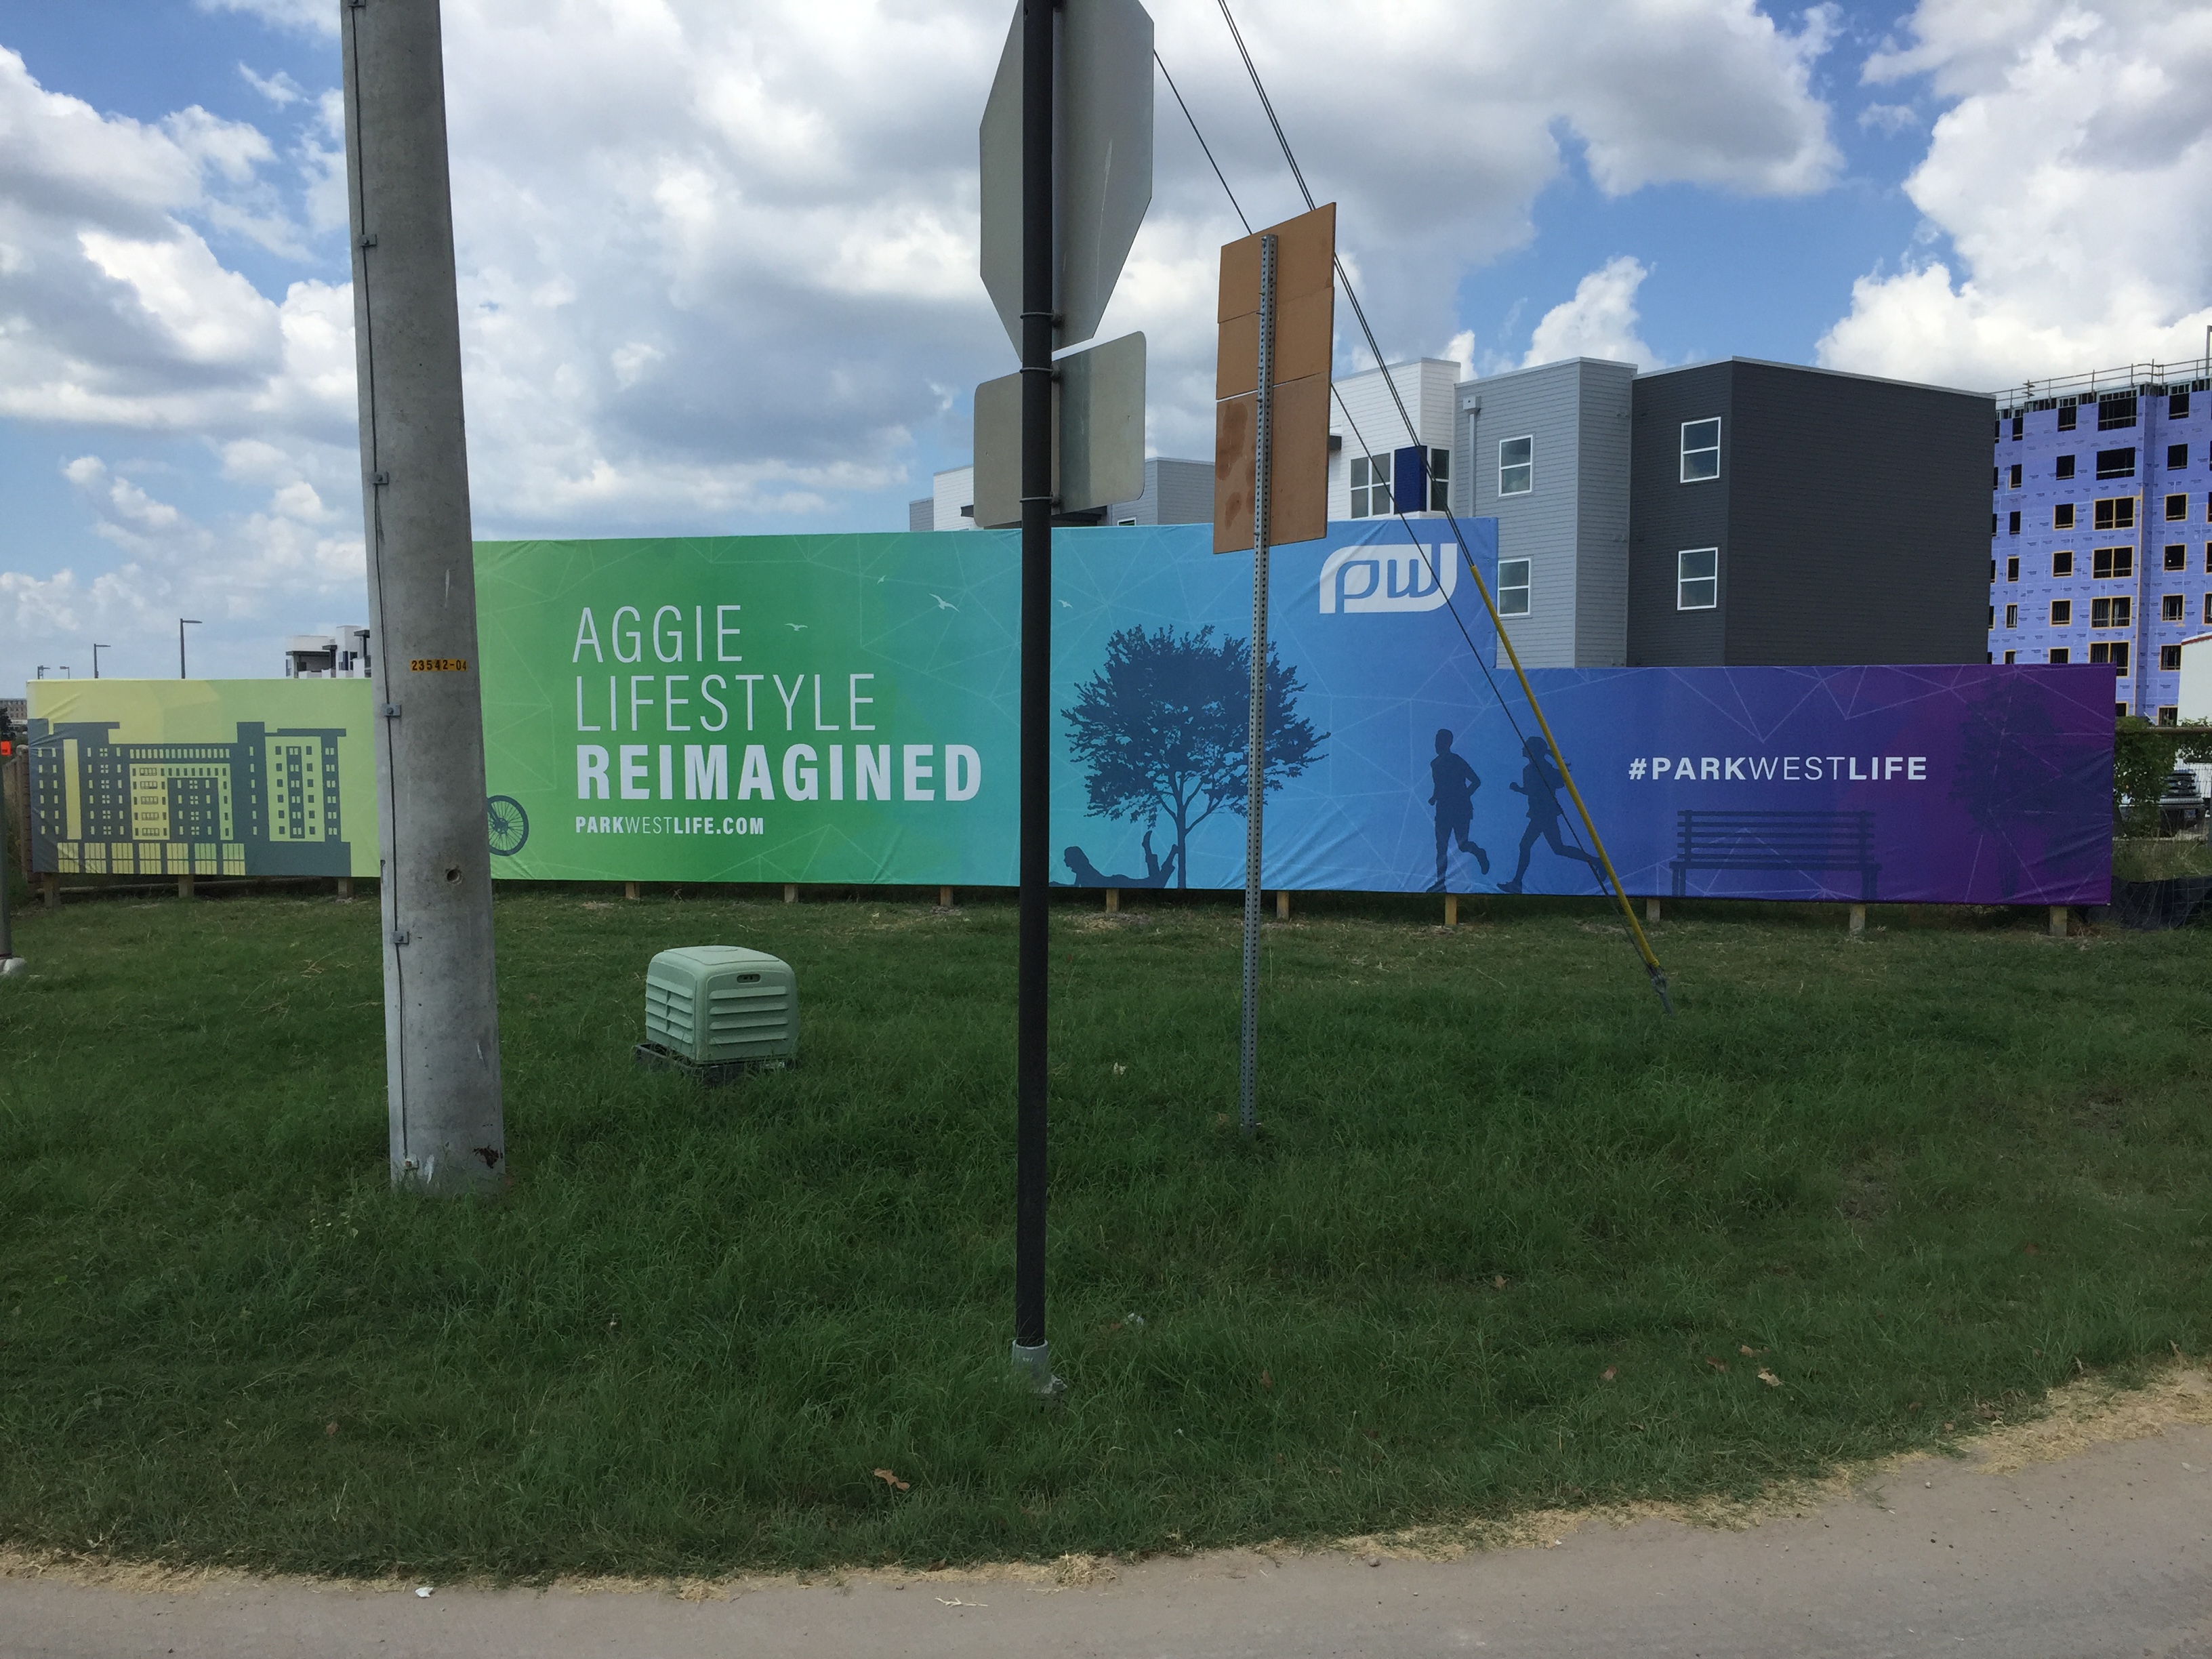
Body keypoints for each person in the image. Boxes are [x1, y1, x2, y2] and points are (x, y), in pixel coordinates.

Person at [1497, 735, 1607, 894]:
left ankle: (1517, 884)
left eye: (1526, 746)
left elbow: (1533, 791)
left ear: (1532, 751)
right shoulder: (1543, 766)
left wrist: (1517, 788)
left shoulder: (1532, 769)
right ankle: (1597, 861)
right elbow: (1555, 784)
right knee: (1558, 848)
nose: (1522, 749)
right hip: (1544, 812)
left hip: (1542, 814)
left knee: (1526, 845)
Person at [1425, 728, 1489, 892]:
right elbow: (1438, 786)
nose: (1437, 744)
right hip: (1443, 810)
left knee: (1462, 844)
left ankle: (1479, 853)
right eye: (1436, 741)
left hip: (1461, 810)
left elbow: (1476, 781)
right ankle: (1441, 884)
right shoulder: (1434, 764)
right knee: (1441, 847)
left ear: (1448, 743)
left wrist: (1464, 796)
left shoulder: (1457, 761)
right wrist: (1434, 798)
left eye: (1440, 741)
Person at [1062, 828, 1179, 888]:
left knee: (1156, 883)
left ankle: (1168, 852)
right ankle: (1164, 851)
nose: (1065, 861)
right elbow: (1077, 886)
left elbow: (1076, 886)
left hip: (1117, 882)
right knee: (1156, 882)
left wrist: (1056, 884)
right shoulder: (1082, 870)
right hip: (1115, 881)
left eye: (1066, 858)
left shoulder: (1083, 870)